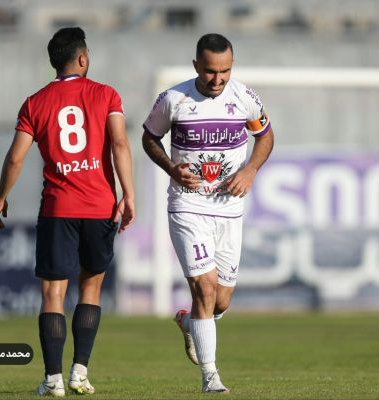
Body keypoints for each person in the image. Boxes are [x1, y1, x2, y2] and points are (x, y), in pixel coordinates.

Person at [0, 27, 135, 397]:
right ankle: (79, 373)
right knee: (91, 288)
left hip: (58, 208)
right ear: (83, 58)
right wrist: (128, 194)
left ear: (54, 62)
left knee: (53, 292)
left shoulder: (35, 103)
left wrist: (2, 196)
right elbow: (119, 143)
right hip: (100, 206)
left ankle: (52, 379)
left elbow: (16, 156)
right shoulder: (106, 95)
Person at [142, 33, 274, 393]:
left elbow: (265, 135)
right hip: (188, 204)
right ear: (196, 66)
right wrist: (171, 168)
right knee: (204, 288)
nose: (218, 80)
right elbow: (149, 138)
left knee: (221, 299)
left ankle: (191, 324)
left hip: (229, 208)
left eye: (225, 71)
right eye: (211, 72)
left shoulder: (243, 96)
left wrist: (250, 171)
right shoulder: (174, 99)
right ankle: (210, 378)